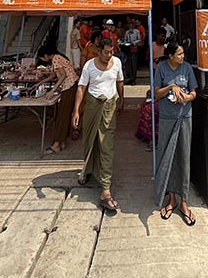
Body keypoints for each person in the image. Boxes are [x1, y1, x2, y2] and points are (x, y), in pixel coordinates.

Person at [72, 38, 124, 213]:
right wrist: (76, 111)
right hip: (92, 106)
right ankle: (88, 170)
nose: (109, 55)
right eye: (106, 52)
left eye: (111, 51)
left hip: (109, 107)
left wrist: (122, 100)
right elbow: (81, 88)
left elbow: (120, 82)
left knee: (106, 146)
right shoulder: (89, 66)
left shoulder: (117, 63)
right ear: (98, 51)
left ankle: (106, 189)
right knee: (90, 141)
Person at [154, 41, 198, 227]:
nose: (182, 57)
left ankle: (184, 201)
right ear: (170, 56)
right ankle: (171, 198)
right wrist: (171, 87)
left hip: (185, 117)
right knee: (168, 157)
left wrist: (187, 97)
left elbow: (194, 92)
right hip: (167, 118)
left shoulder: (187, 68)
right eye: (179, 54)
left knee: (184, 157)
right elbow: (157, 93)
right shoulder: (161, 68)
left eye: (182, 54)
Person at [35, 47, 79, 154]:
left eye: (42, 58)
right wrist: (40, 83)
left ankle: (57, 144)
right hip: (71, 85)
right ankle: (62, 141)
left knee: (62, 116)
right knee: (64, 114)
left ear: (46, 55)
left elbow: (63, 75)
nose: (43, 60)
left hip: (69, 86)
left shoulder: (56, 58)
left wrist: (52, 90)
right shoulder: (58, 58)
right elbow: (54, 75)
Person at [124, 19, 141, 85]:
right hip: (128, 49)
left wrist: (134, 43)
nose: (130, 26)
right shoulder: (127, 32)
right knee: (129, 64)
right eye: (129, 25)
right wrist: (126, 43)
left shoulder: (137, 31)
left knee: (134, 64)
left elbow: (139, 39)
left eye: (131, 25)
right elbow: (125, 40)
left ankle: (134, 79)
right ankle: (130, 78)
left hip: (134, 49)